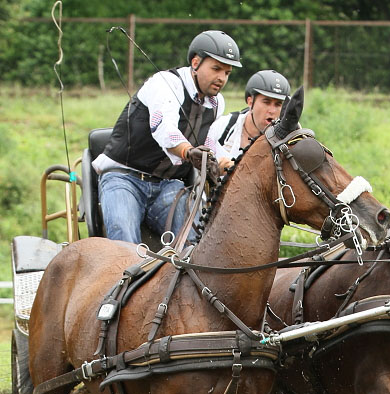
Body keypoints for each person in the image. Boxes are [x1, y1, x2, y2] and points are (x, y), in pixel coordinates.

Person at [93, 30, 241, 244]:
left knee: (194, 243)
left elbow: (209, 143)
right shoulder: (165, 84)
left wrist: (227, 163)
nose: (221, 78)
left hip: (168, 185)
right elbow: (164, 128)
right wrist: (188, 152)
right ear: (196, 62)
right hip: (124, 178)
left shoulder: (217, 103)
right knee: (123, 240)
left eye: (227, 73)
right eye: (216, 69)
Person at [209, 69, 291, 172]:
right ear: (250, 102)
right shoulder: (224, 126)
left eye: (278, 104)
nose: (272, 111)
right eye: (266, 102)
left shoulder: (284, 141)